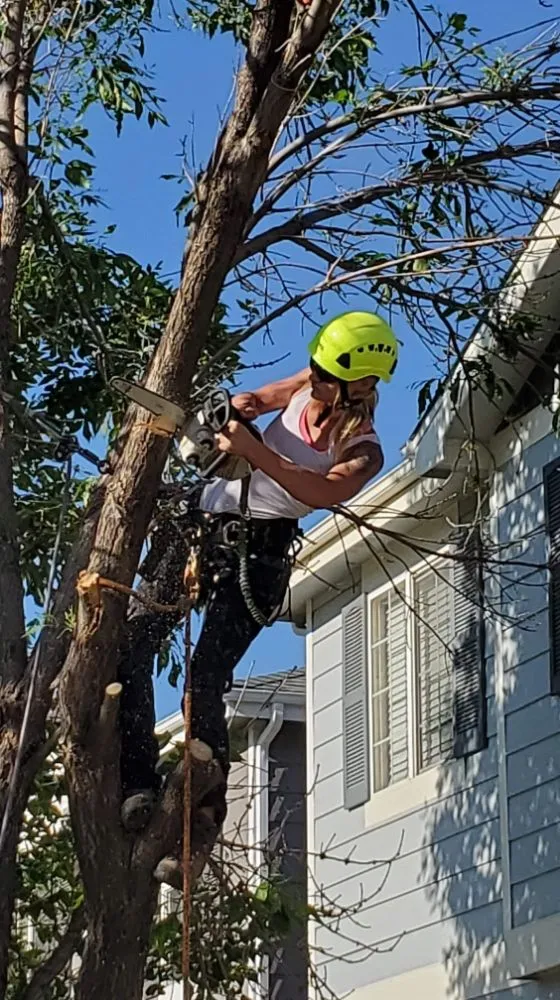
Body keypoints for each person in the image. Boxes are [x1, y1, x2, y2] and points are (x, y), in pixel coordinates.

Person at [119, 310, 398, 835]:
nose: (315, 379)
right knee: (132, 645)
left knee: (205, 676)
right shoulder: (308, 382)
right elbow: (262, 397)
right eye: (315, 368)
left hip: (259, 555)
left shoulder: (363, 448)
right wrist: (239, 409)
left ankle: (206, 805)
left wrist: (254, 450)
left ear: (360, 384)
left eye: (327, 376)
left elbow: (323, 492)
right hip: (203, 526)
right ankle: (136, 782)